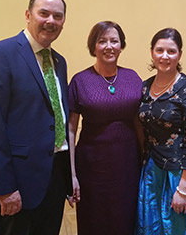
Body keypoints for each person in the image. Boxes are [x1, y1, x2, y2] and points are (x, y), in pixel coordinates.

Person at [0, 0, 76, 235]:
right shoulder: (0, 54)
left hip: (54, 175)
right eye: (44, 13)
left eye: (58, 16)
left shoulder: (59, 61)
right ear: (28, 14)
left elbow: (56, 116)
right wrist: (5, 187)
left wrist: (69, 176)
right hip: (18, 180)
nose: (51, 21)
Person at [67, 21, 142, 234]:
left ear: (121, 45)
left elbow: (138, 122)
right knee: (95, 219)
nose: (108, 46)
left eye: (114, 41)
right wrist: (71, 174)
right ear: (93, 47)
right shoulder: (80, 80)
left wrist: (145, 158)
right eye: (102, 41)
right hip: (92, 166)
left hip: (127, 163)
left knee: (126, 216)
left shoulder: (132, 77)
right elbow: (71, 130)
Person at [136, 28, 186, 235]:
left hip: (178, 174)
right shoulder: (144, 88)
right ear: (152, 52)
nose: (165, 56)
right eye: (160, 50)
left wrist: (183, 188)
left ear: (179, 55)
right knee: (151, 228)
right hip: (151, 171)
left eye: (171, 51)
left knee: (176, 229)